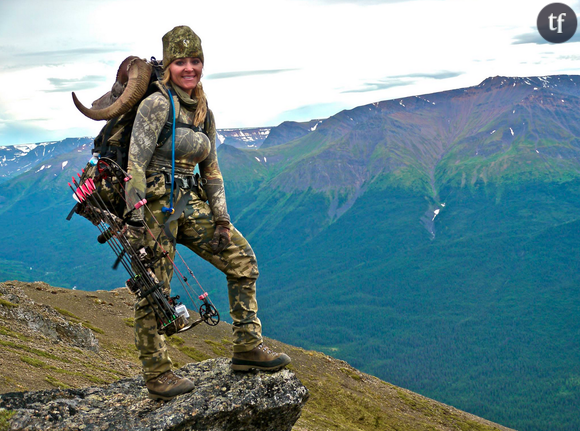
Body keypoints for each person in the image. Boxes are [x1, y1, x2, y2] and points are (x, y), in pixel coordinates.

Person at [125, 25, 291, 401]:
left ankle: (248, 348)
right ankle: (157, 373)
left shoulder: (203, 111)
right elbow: (135, 164)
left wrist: (221, 219)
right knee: (156, 285)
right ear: (168, 65)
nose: (189, 68)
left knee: (241, 258)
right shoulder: (156, 104)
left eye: (195, 61)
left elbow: (211, 171)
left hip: (188, 201)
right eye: (180, 62)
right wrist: (135, 219)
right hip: (154, 205)